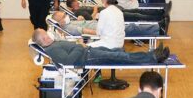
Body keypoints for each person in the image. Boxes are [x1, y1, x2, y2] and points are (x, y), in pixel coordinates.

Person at [31, 29, 169, 67]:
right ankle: (154, 57)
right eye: (45, 36)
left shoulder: (53, 44)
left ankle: (151, 53)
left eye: (46, 34)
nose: (48, 36)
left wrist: (79, 46)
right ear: (42, 41)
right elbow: (68, 61)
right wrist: (79, 46)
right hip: (88, 57)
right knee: (120, 56)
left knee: (116, 51)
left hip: (88, 52)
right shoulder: (52, 49)